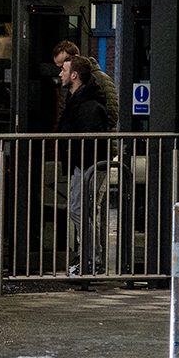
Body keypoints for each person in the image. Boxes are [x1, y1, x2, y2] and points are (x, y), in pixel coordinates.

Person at [59, 52, 112, 273]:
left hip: (88, 165)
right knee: (82, 211)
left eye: (64, 70)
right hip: (84, 164)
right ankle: (90, 259)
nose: (60, 73)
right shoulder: (78, 99)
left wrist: (80, 164)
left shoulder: (87, 105)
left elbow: (89, 141)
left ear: (75, 75)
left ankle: (92, 260)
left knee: (79, 210)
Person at [53, 40, 119, 128]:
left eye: (65, 64)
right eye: (60, 67)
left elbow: (112, 113)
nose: (61, 72)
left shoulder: (99, 79)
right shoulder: (69, 85)